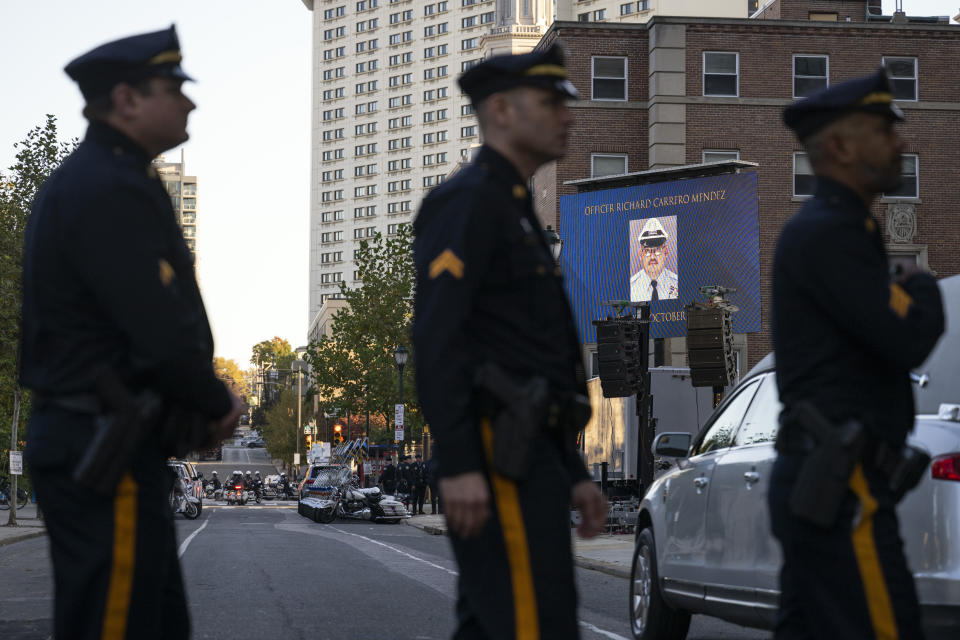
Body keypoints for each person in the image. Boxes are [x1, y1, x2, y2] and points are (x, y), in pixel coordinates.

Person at [20, 26, 244, 640]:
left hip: (113, 437)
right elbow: (154, 323)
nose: (189, 102)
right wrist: (214, 400)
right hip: (102, 437)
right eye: (173, 89)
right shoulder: (107, 186)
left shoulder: (112, 178)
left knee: (150, 621)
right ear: (125, 99)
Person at [413, 43, 607, 639]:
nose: (567, 115)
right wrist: (463, 463)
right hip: (498, 455)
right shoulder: (467, 203)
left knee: (504, 621)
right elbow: (438, 339)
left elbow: (537, 360)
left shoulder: (516, 208)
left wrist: (572, 469)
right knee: (527, 624)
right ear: (499, 109)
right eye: (550, 102)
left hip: (531, 454)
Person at [770, 68, 944, 640]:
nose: (899, 141)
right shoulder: (830, 233)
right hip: (844, 482)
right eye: (882, 129)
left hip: (830, 475)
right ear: (840, 146)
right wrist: (918, 284)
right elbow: (909, 335)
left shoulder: (840, 230)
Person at [629, 217, 678, 303]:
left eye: (657, 250)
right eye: (647, 251)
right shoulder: (631, 288)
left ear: (666, 252)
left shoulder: (677, 284)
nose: (652, 257)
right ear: (641, 254)